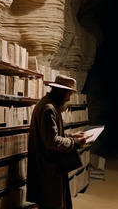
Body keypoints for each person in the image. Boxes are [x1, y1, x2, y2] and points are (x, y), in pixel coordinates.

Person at [27, 74, 89, 209]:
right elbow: (52, 141)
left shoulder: (48, 104)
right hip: (48, 168)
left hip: (49, 166)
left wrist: (72, 136)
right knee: (52, 203)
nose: (69, 98)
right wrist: (76, 143)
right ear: (61, 91)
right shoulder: (48, 108)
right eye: (68, 94)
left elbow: (50, 134)